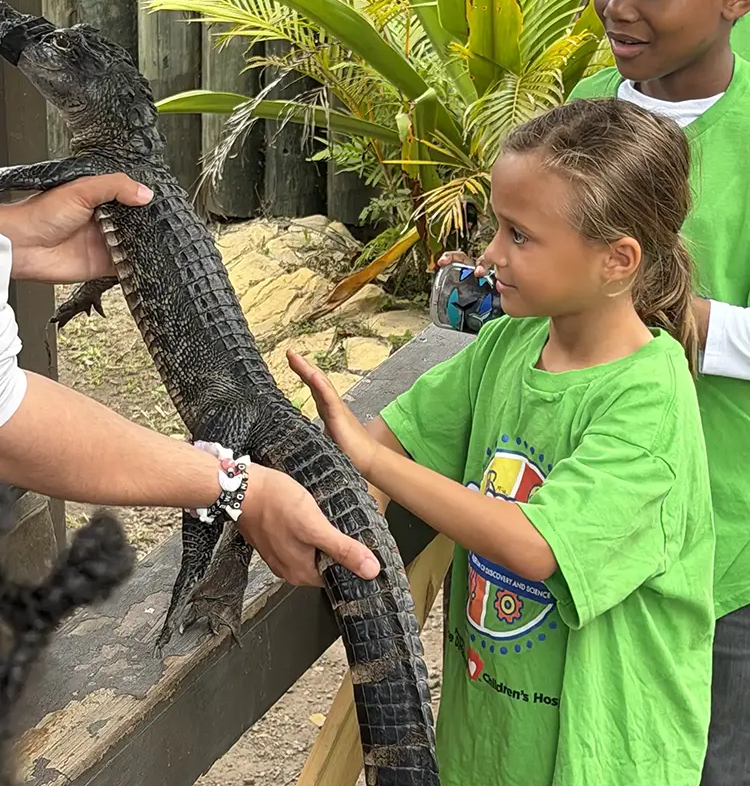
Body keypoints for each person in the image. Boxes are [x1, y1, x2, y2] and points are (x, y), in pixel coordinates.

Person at [289, 98, 716, 786]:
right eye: (497, 226)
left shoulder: (649, 401)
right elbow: (396, 435)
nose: (489, 254)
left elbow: (537, 546)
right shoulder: (513, 343)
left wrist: (369, 463)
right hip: (491, 740)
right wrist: (341, 504)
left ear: (618, 259)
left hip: (602, 754)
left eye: (520, 235)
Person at [561, 0, 750, 785]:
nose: (618, 7)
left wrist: (690, 323)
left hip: (721, 541)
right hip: (573, 519)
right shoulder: (586, 109)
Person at [0, 173, 380, 588]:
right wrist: (238, 489)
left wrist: (14, 238)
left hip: (235, 396)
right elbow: (8, 417)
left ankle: (198, 578)